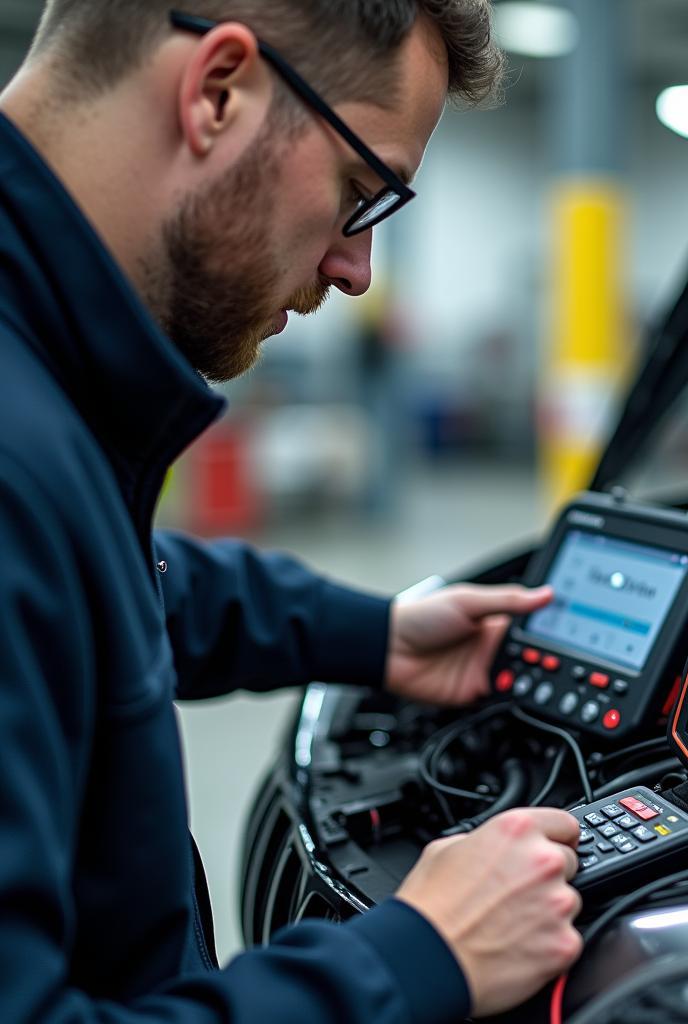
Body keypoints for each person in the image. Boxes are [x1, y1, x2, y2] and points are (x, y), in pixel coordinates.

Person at [0, 2, 583, 1022]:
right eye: (362, 192)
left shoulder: (40, 379)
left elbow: (99, 582)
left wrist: (373, 633)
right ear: (218, 92)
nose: (356, 269)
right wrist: (416, 957)